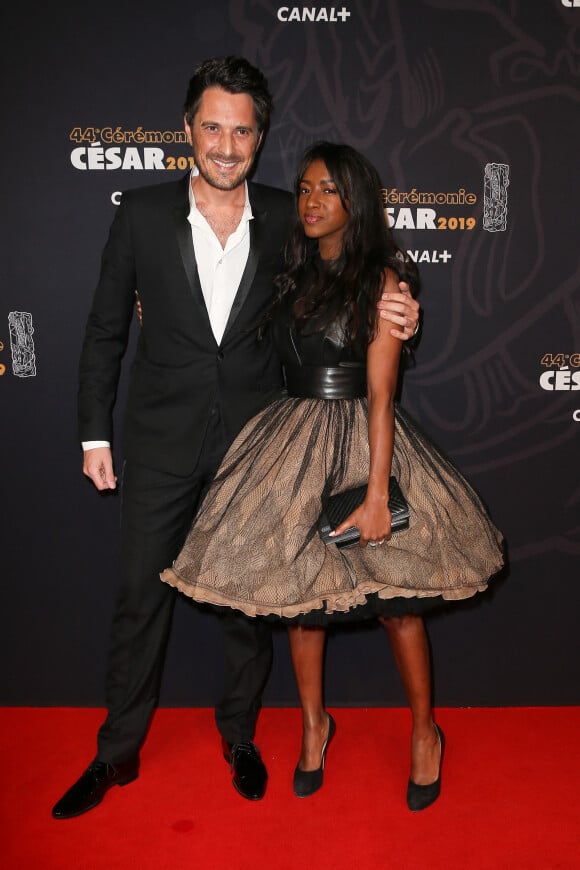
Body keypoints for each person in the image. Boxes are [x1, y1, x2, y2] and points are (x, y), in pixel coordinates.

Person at [52, 60, 419, 819]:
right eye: (213, 126)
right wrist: (94, 433)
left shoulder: (291, 213)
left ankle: (240, 737)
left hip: (258, 443)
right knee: (137, 600)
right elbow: (104, 331)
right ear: (188, 128)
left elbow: (352, 264)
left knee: (249, 605)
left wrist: (398, 298)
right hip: (158, 440)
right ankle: (115, 753)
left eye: (243, 129)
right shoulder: (142, 214)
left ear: (261, 136)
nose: (227, 144)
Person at [161, 141, 505, 811]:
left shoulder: (380, 281)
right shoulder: (289, 273)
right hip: (289, 444)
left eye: (327, 190)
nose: (312, 201)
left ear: (355, 200)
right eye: (305, 189)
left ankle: (426, 732)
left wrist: (378, 495)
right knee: (300, 605)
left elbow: (381, 397)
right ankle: (315, 726)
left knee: (401, 605)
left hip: (363, 441)